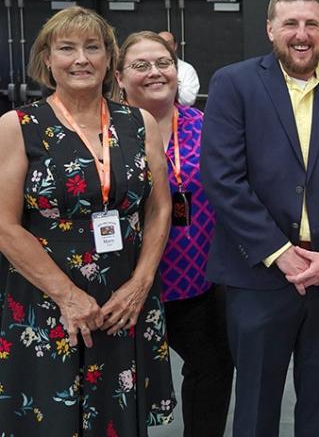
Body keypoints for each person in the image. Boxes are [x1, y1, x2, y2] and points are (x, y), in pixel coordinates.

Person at [200, 0, 319, 437]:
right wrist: (279, 251)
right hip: (258, 277)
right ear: (270, 29)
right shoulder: (233, 83)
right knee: (256, 407)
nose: (301, 34)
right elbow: (222, 178)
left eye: (311, 24)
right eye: (291, 24)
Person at [0, 6, 176, 434]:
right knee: (51, 418)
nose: (82, 59)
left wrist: (140, 284)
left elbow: (159, 208)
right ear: (47, 59)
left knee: (117, 418)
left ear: (109, 59)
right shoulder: (18, 125)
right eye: (67, 48)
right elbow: (4, 225)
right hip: (48, 301)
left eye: (93, 47)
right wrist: (69, 297)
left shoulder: (139, 122)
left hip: (123, 301)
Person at [116, 30, 233, 437]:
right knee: (121, 382)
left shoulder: (207, 127)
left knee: (213, 369)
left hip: (195, 281)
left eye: (163, 63)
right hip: (123, 283)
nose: (155, 73)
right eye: (141, 65)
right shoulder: (105, 133)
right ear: (119, 76)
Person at [158, 31, 200, 107]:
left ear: (175, 46)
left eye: (168, 43)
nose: (164, 46)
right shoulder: (148, 69)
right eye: (160, 43)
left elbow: (188, 99)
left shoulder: (187, 69)